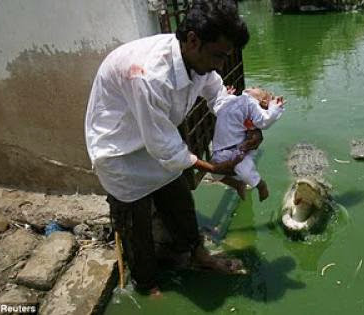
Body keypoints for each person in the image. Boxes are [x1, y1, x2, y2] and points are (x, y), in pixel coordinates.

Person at [84, 0, 259, 294]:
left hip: (156, 138)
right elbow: (164, 148)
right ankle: (146, 283)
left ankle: (197, 254)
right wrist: (215, 168)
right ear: (193, 41)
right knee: (135, 225)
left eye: (225, 57)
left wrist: (248, 123)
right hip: (121, 152)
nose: (220, 64)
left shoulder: (198, 61)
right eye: (218, 55)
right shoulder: (147, 75)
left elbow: (218, 97)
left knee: (179, 201)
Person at [211, 87, 285, 201]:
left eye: (258, 89)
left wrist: (275, 108)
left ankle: (261, 185)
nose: (254, 87)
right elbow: (217, 108)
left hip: (237, 149)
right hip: (220, 149)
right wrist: (226, 96)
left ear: (262, 100)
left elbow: (264, 120)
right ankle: (237, 184)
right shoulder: (236, 99)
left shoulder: (251, 103)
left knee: (246, 172)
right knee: (215, 173)